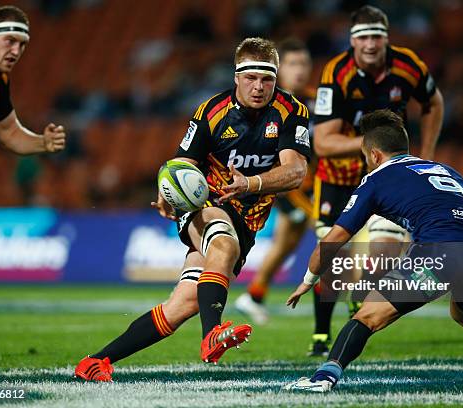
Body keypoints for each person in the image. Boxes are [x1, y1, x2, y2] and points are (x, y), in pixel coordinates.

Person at [74, 37, 311, 381]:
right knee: (223, 241)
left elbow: (296, 171)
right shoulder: (211, 112)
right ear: (236, 76)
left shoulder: (292, 112)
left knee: (183, 305)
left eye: (267, 79)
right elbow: (182, 161)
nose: (259, 87)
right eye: (250, 78)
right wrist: (166, 190)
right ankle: (211, 334)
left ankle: (95, 363)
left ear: (276, 78)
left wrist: (250, 184)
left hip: (248, 219)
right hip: (208, 205)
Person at [284, 110, 463, 392]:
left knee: (366, 316)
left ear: (375, 155)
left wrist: (308, 280)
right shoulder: (446, 171)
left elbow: (333, 239)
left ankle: (322, 380)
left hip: (439, 256)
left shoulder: (375, 180)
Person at [309, 5, 444, 356]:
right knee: (333, 263)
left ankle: (359, 306)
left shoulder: (409, 64)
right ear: (352, 41)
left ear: (386, 38)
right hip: (339, 179)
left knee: (382, 257)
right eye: (363, 37)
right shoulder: (335, 73)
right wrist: (374, 143)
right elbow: (322, 143)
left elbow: (434, 102)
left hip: (389, 177)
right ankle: (321, 333)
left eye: (376, 36)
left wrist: (426, 152)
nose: (370, 44)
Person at [0, 5, 66, 366]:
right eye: (9, 40)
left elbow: (8, 134)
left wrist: (41, 143)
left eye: (22, 44)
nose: (16, 50)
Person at [234, 38, 314, 325]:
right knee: (332, 232)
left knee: (287, 242)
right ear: (280, 70)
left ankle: (255, 293)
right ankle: (337, 318)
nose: (300, 70)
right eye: (293, 64)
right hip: (284, 182)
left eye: (304, 63)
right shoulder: (270, 106)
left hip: (311, 180)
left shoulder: (317, 101)